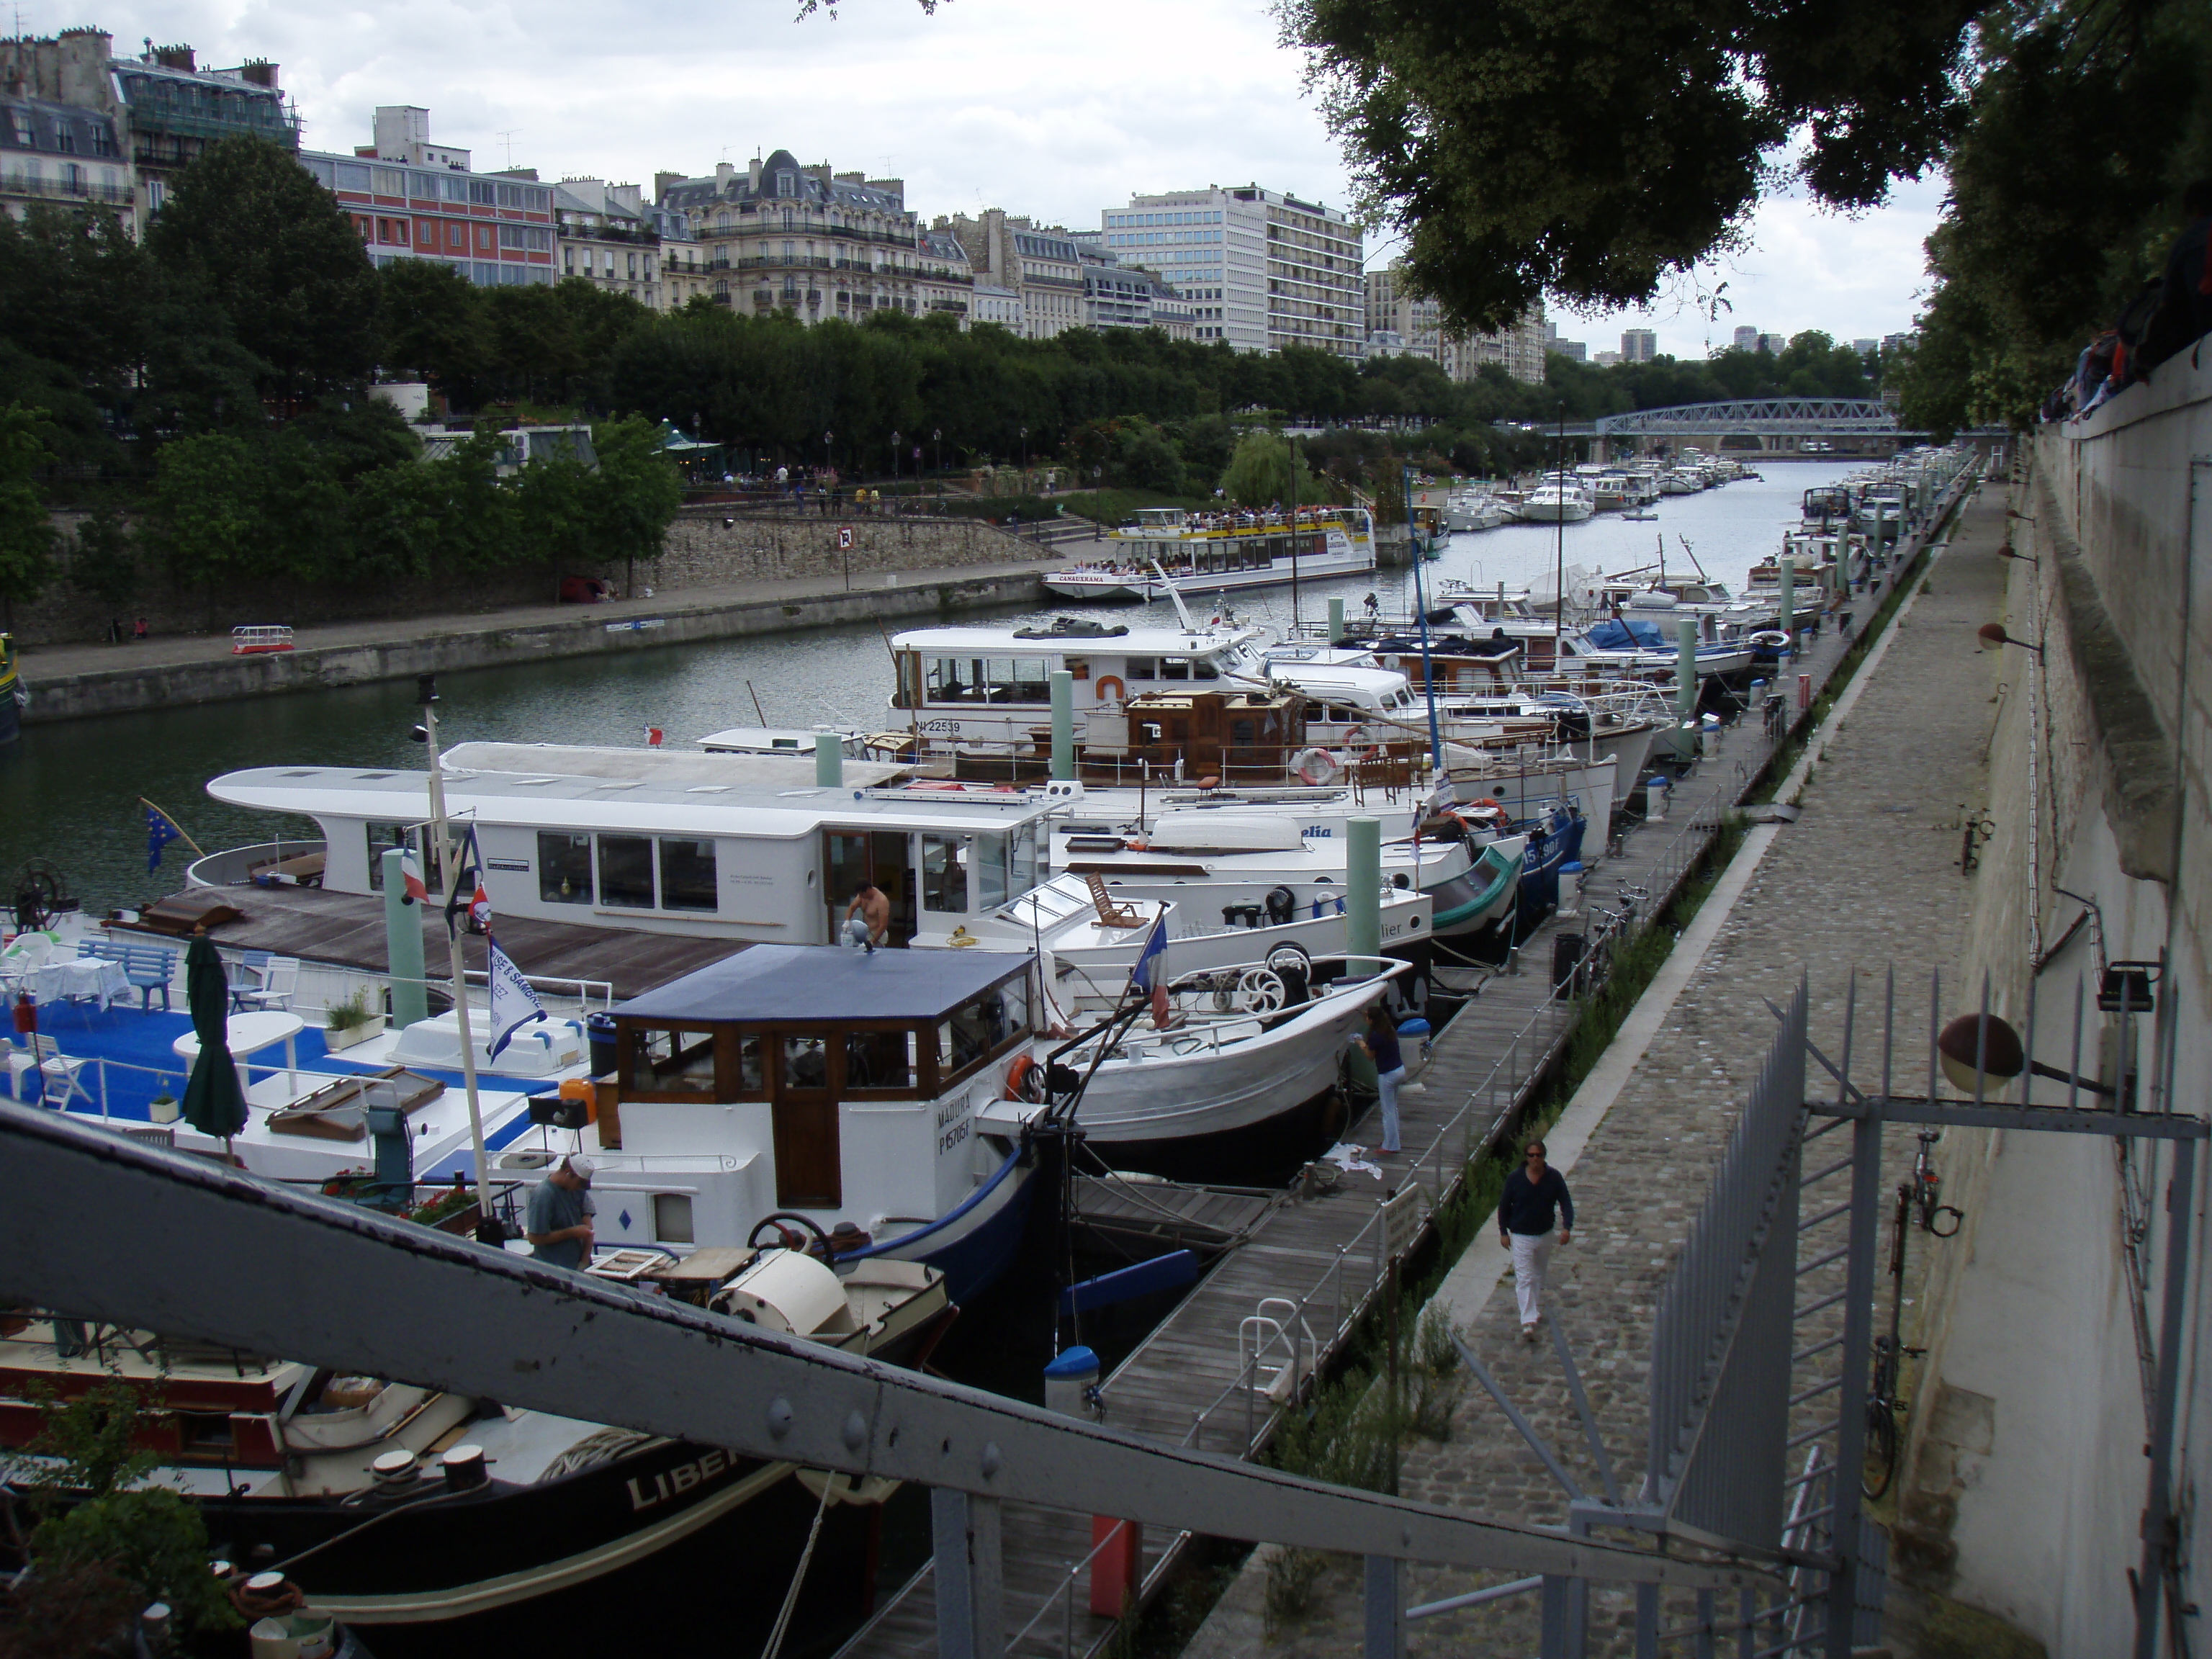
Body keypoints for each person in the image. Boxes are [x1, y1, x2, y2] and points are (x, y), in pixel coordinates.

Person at [1498, 1140, 1574, 1341]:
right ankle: (1528, 1321)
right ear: (1526, 1157)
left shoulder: (1554, 1178)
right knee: (1524, 1277)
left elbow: (1566, 1201)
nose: (1535, 1159)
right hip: (1521, 1234)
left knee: (1538, 1274)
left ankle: (1533, 1310)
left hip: (1544, 1233)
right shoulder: (1515, 1179)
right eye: (1531, 1155)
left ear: (1544, 1156)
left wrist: (1567, 1227)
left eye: (1538, 1155)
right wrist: (1503, 1232)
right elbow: (1504, 1206)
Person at [1352, 1003, 1406, 1154]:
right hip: (1399, 1070)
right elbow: (1372, 1016)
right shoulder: (1388, 1029)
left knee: (1387, 1111)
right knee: (1393, 1108)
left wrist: (1361, 1043)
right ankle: (1393, 1141)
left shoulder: (1376, 1036)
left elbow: (1370, 1057)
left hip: (1387, 1076)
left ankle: (1390, 1146)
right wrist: (1365, 1013)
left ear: (1371, 1020)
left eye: (1367, 1017)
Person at [524, 1154, 595, 1269]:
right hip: (553, 1269)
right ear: (568, 1173)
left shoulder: (578, 1190)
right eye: (579, 1183)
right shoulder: (543, 1194)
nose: (579, 1187)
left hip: (577, 1266)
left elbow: (588, 1228)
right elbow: (534, 1238)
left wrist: (584, 1261)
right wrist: (572, 1232)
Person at [845, 882, 890, 951]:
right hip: (866, 932)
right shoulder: (862, 896)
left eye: (862, 894)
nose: (861, 897)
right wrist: (847, 921)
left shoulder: (882, 901)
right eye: (859, 895)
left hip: (877, 934)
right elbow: (852, 908)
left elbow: (883, 925)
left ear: (868, 890)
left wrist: (871, 942)